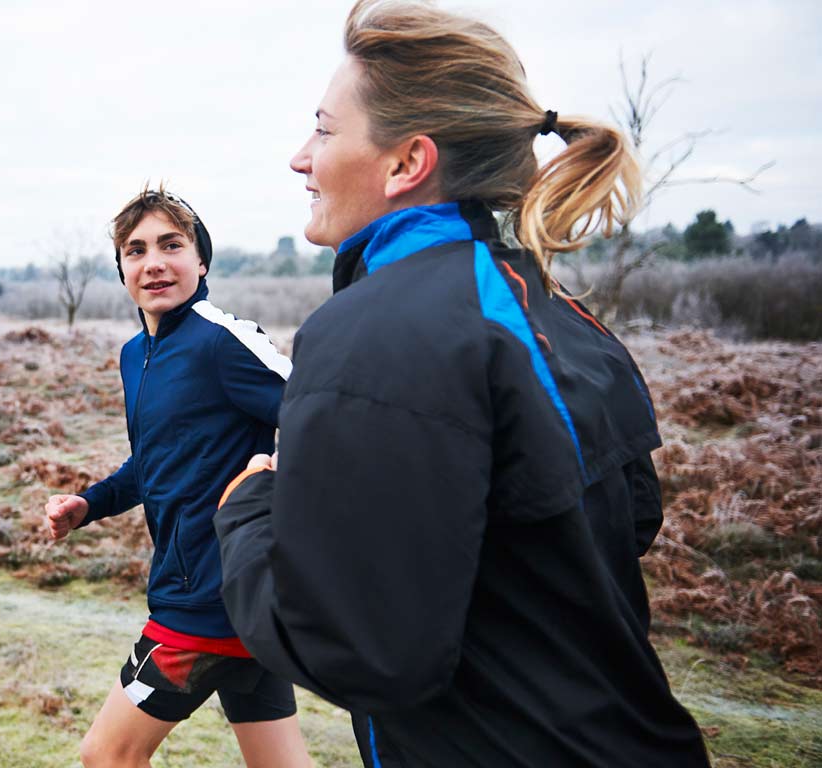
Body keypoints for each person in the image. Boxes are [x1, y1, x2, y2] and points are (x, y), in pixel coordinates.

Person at [213, 2, 711, 766]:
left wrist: (248, 513)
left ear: (407, 163)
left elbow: (361, 653)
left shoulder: (371, 333)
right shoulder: (555, 307)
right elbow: (627, 523)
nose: (299, 158)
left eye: (322, 128)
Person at [44, 184, 311, 768]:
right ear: (121, 270)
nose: (154, 262)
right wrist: (90, 504)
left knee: (107, 756)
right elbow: (153, 460)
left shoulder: (223, 340)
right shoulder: (135, 356)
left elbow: (322, 415)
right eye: (136, 250)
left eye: (171, 244)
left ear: (201, 260)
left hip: (204, 602)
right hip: (231, 597)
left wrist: (278, 486)